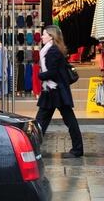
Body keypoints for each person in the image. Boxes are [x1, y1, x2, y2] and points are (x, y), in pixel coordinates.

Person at [35, 26, 84, 158]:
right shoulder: (51, 50)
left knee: (48, 120)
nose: (42, 37)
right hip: (52, 90)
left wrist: (39, 76)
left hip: (56, 90)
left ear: (51, 36)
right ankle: (33, 148)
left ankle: (78, 149)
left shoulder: (52, 51)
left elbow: (52, 73)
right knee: (41, 121)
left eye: (44, 34)